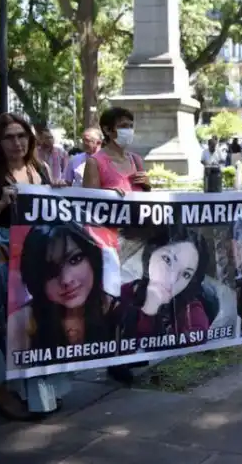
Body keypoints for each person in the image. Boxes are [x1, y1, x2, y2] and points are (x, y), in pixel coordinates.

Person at [0, 113, 70, 420]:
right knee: (4, 325)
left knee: (34, 322)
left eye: (22, 136)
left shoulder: (38, 168)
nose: (17, 143)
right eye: (9, 137)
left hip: (34, 254)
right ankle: (5, 394)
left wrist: (58, 190)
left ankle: (37, 393)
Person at [83, 106, 150, 383]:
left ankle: (131, 348)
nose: (128, 130)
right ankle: (114, 356)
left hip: (135, 238)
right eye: (123, 125)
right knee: (114, 297)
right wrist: (107, 194)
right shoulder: (96, 162)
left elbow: (146, 198)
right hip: (108, 239)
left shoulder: (135, 160)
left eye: (131, 124)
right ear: (109, 130)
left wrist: (147, 185)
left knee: (135, 294)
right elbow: (86, 200)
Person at [10, 224, 119, 361]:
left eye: (75, 259)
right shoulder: (22, 321)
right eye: (51, 270)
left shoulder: (118, 310)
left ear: (93, 259)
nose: (66, 280)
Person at [118, 225, 210, 351]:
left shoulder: (190, 312)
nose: (172, 279)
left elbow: (193, 349)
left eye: (186, 274)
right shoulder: (124, 294)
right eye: (167, 260)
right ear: (150, 255)